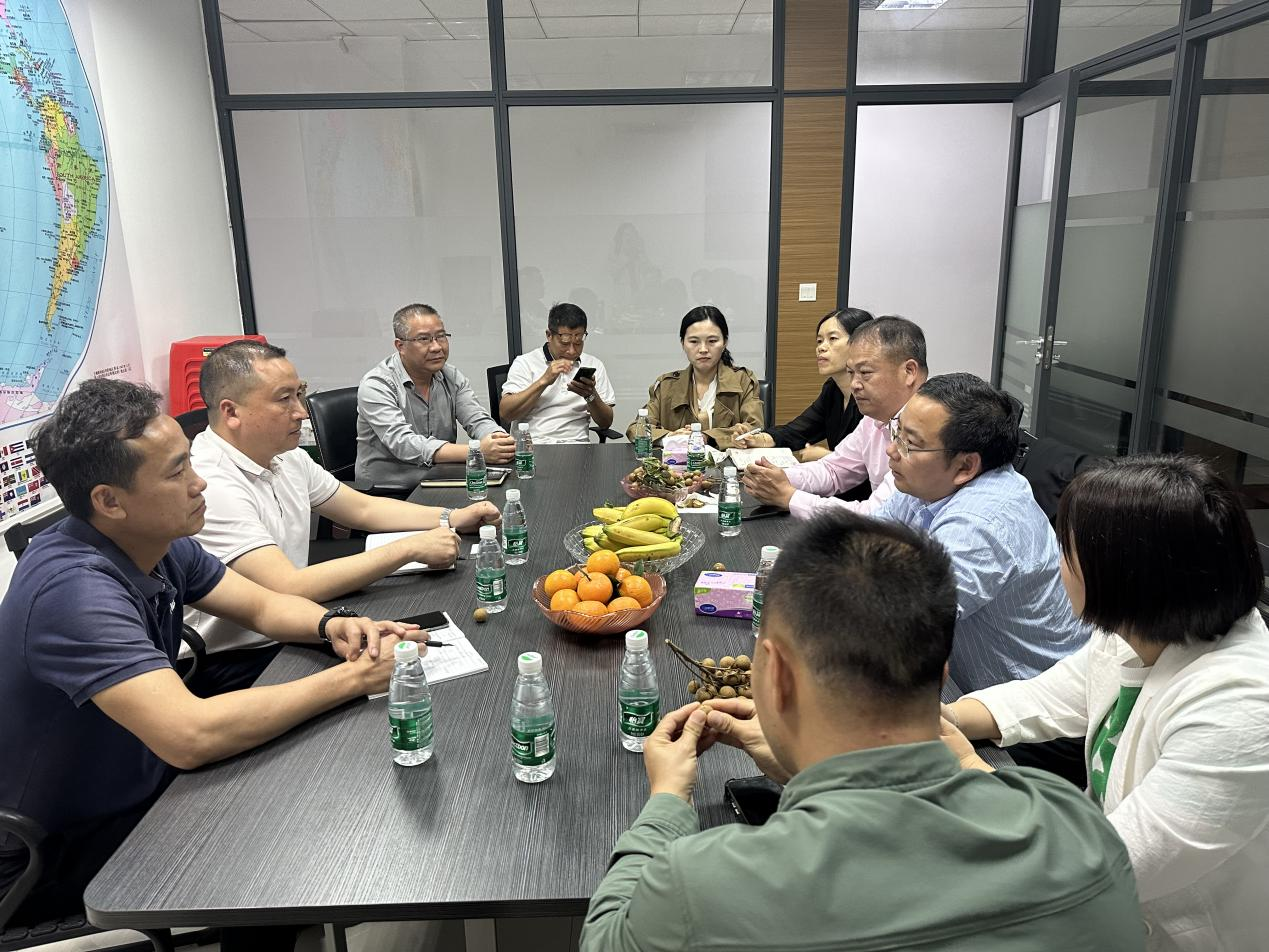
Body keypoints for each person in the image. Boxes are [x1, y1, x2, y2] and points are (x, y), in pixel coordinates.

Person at [581, 512, 1145, 952]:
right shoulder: (1082, 832)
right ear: (941, 673)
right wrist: (805, 768)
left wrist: (667, 801)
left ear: (775, 675)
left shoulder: (702, 887)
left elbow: (606, 937)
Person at [0, 379, 415, 932]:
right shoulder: (72, 591)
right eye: (176, 473)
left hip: (138, 778)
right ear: (109, 501)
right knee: (277, 846)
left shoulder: (158, 542)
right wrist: (355, 679)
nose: (199, 483)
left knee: (295, 790)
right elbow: (190, 735)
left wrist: (332, 625)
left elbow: (263, 606)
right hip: (53, 850)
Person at [942, 455, 1269, 952]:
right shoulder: (1139, 630)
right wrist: (941, 718)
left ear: (1123, 573)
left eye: (1067, 552)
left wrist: (971, 767)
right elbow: (1049, 695)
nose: (1058, 566)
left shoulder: (1241, 709)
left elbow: (1111, 860)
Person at [187, 340, 500, 693]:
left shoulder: (284, 455)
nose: (301, 412)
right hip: (239, 659)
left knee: (423, 644)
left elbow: (362, 509)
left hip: (301, 622)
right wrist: (410, 548)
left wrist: (452, 517)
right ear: (231, 412)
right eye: (284, 399)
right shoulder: (210, 484)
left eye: (299, 394)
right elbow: (286, 586)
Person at [875, 372, 1089, 784]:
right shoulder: (927, 483)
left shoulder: (981, 523)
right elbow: (863, 544)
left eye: (909, 443)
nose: (892, 449)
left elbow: (900, 620)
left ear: (965, 466)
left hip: (1039, 726)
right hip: (975, 697)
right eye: (897, 431)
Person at [742, 316, 926, 518]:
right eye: (851, 373)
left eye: (865, 372)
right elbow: (834, 470)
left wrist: (790, 497)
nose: (854, 384)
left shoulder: (928, 427)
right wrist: (778, 477)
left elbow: (876, 516)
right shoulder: (875, 419)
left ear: (909, 371)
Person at [356, 303, 515, 486]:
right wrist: (476, 451)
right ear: (401, 346)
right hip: (388, 489)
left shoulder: (451, 376)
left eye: (441, 336)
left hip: (439, 479)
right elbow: (403, 443)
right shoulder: (377, 384)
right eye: (424, 339)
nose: (436, 347)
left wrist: (498, 440)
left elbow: (477, 419)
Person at [731, 307, 873, 462]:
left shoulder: (873, 394)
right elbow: (797, 431)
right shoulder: (832, 390)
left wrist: (829, 458)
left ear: (861, 343)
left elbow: (878, 463)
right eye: (819, 341)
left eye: (832, 338)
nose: (821, 348)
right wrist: (758, 439)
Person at [624, 305, 763, 449]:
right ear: (683, 344)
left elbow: (754, 426)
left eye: (712, 341)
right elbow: (636, 429)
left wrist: (707, 437)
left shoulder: (743, 380)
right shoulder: (666, 385)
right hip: (676, 462)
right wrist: (670, 438)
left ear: (725, 342)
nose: (703, 349)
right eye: (694, 341)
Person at [498, 302, 616, 443]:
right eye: (564, 344)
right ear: (549, 335)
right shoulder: (525, 363)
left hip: (577, 446)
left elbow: (605, 423)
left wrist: (590, 395)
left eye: (578, 343)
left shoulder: (594, 364)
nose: (571, 351)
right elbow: (506, 414)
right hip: (533, 446)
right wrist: (543, 381)